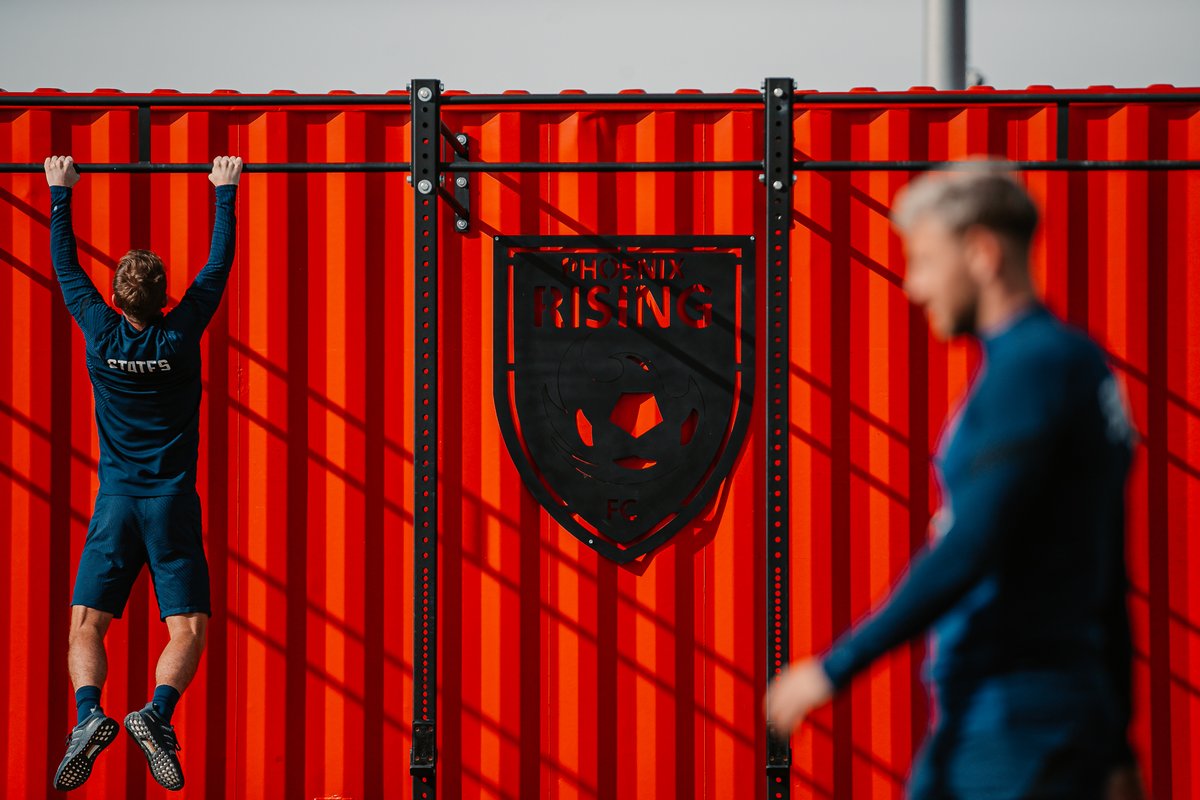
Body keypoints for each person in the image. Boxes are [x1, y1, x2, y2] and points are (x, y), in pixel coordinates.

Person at [765, 162, 1144, 799]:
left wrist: (830, 671)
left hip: (1017, 724)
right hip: (1035, 717)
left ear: (982, 253)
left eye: (924, 260)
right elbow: (1105, 572)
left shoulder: (1031, 370)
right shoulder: (1072, 366)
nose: (913, 287)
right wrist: (1117, 743)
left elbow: (971, 547)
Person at [47, 154, 242, 792]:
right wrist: (224, 191)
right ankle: (156, 715)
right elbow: (216, 271)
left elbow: (66, 268)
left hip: (117, 503)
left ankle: (87, 717)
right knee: (187, 626)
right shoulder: (179, 338)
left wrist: (59, 193)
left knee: (85, 623)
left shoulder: (100, 332)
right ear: (163, 299)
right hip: (170, 503)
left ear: (118, 298)